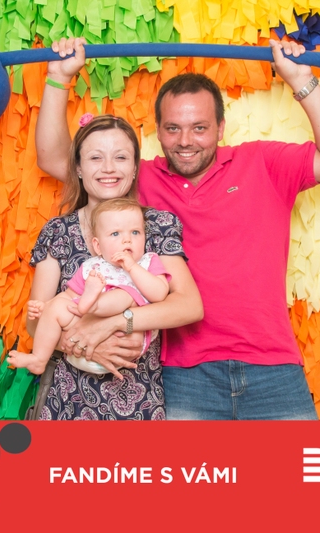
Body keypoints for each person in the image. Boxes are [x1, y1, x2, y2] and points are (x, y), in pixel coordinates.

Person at [35, 37, 320, 420]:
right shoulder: (136, 181)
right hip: (185, 374)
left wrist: (301, 79)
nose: (185, 141)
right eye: (173, 128)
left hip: (272, 363)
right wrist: (58, 78)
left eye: (199, 127)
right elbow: (56, 159)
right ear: (158, 131)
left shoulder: (262, 162)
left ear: (221, 127)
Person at [24, 113, 203, 420]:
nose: (108, 168)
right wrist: (86, 345)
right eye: (96, 158)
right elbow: (34, 322)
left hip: (138, 400)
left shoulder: (155, 225)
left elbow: (189, 306)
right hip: (68, 401)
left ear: (134, 168)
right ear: (78, 168)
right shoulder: (58, 231)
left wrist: (118, 322)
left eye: (120, 157)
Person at [8, 196, 170, 375]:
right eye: (115, 234)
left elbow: (159, 294)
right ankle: (39, 359)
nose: (127, 240)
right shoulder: (93, 267)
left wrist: (132, 267)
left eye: (135, 232)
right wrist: (47, 307)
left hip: (126, 338)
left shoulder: (147, 262)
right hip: (85, 342)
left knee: (125, 294)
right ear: (98, 246)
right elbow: (69, 296)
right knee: (58, 306)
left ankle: (93, 304)